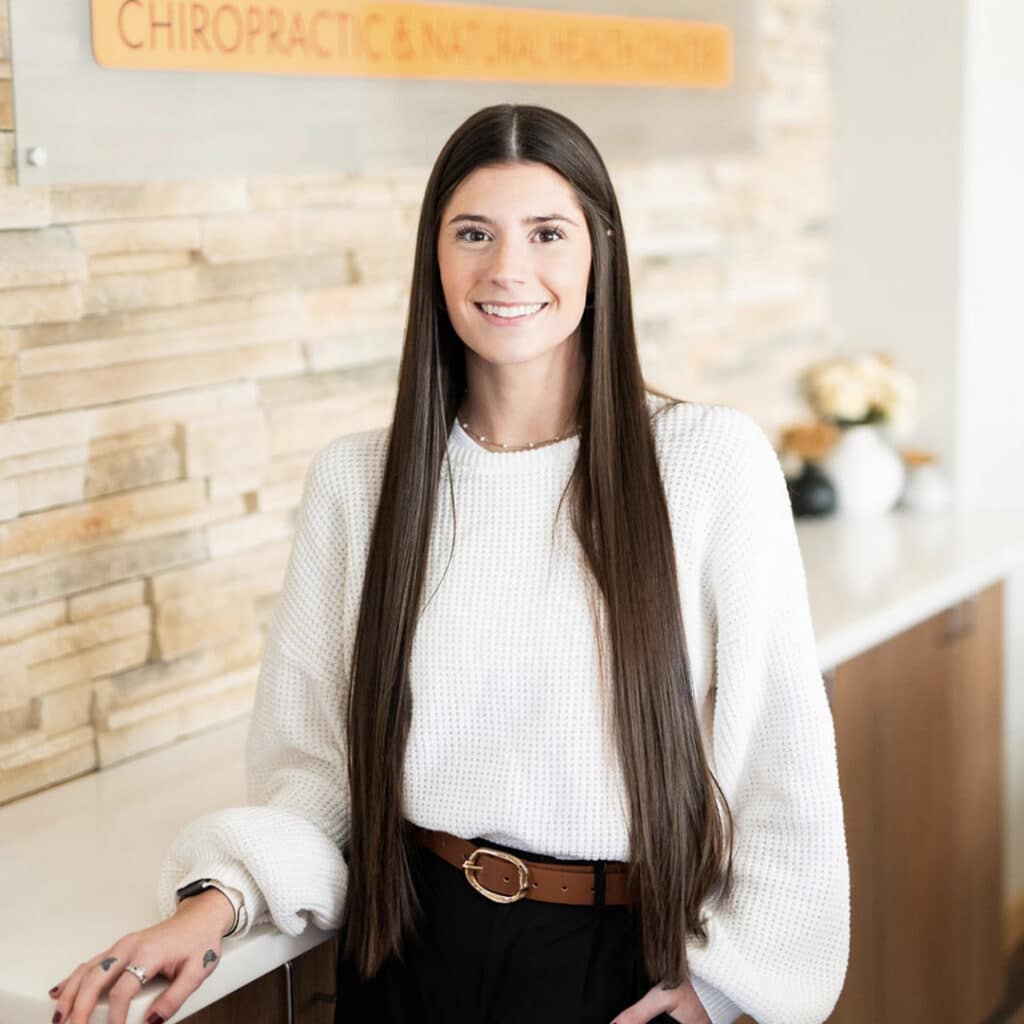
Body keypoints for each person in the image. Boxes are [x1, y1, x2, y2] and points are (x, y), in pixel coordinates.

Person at [47, 103, 850, 1024]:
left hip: (622, 965)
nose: (507, 268)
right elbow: (318, 771)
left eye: (546, 232)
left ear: (601, 251)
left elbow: (781, 761)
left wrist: (723, 985)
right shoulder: (360, 481)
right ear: (434, 255)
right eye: (474, 233)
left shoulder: (707, 462)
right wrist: (216, 900)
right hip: (406, 950)